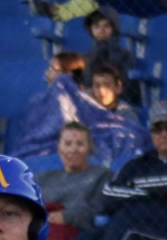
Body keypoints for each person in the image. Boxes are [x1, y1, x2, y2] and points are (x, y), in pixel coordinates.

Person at [78, 100, 167, 240]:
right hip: (138, 233)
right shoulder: (137, 165)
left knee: (126, 217)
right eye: (157, 128)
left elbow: (119, 194)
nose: (163, 134)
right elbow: (108, 194)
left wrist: (133, 195)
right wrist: (152, 194)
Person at [10, 60, 146, 167]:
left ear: (118, 87)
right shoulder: (85, 109)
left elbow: (130, 135)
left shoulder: (126, 112)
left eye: (107, 85)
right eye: (97, 85)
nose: (101, 90)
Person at [37, 122, 114, 240]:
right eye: (67, 144)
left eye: (80, 144)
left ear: (89, 147)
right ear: (59, 148)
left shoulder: (101, 175)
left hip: (76, 231)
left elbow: (97, 209)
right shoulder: (42, 178)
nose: (73, 150)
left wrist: (66, 216)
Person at [83, 6, 139, 105]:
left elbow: (129, 89)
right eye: (96, 26)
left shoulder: (125, 56)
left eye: (106, 26)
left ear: (114, 29)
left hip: (117, 104)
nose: (101, 30)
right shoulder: (86, 57)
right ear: (90, 30)